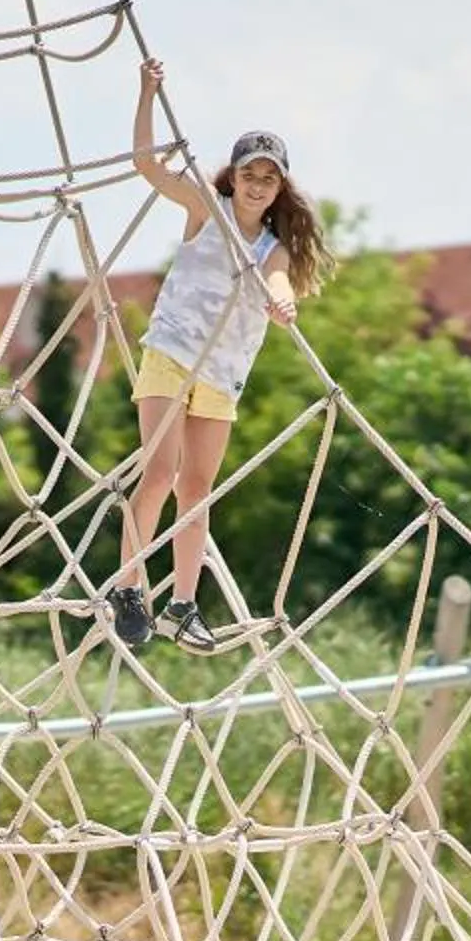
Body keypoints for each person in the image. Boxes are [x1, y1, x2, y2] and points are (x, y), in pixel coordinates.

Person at [108, 55, 334, 650]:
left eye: (269, 177)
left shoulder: (272, 248)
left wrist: (283, 304)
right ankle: (129, 587)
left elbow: (279, 282)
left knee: (198, 487)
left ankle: (182, 604)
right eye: (249, 173)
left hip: (222, 375)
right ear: (232, 176)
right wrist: (147, 94)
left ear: (280, 186)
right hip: (173, 353)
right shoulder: (205, 210)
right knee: (159, 472)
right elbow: (144, 165)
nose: (258, 184)